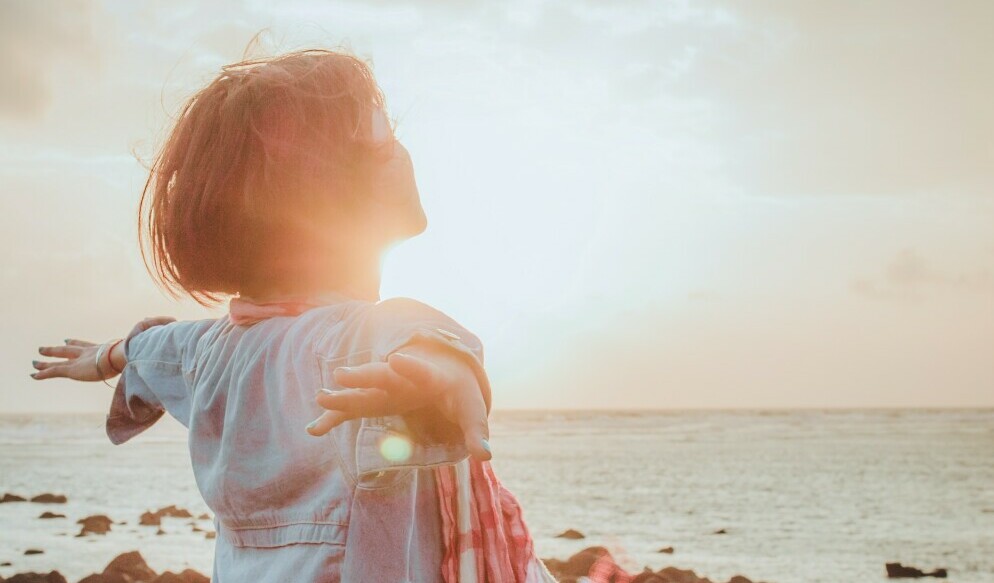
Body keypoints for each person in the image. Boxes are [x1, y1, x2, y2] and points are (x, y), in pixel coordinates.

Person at [30, 48, 555, 583]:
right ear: (320, 192)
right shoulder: (352, 339)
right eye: (380, 138)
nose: (400, 150)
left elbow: (150, 350)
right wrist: (441, 372)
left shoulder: (208, 350)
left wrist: (102, 357)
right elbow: (412, 338)